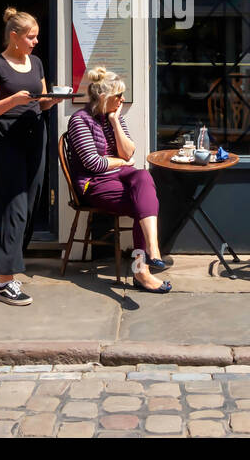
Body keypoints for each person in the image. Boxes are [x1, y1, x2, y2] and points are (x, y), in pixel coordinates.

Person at [0, 8, 64, 306]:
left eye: (36, 36)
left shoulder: (36, 62)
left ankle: (8, 262)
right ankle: (5, 280)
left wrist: (52, 100)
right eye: (31, 36)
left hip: (35, 136)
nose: (36, 41)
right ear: (14, 37)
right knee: (12, 204)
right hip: (6, 139)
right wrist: (13, 99)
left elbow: (40, 104)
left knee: (29, 202)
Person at [64, 67, 170, 292]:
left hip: (117, 177)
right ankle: (141, 271)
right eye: (118, 96)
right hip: (93, 182)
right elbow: (95, 164)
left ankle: (152, 249)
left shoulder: (114, 118)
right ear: (103, 98)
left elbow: (129, 152)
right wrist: (120, 163)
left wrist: (114, 122)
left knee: (143, 175)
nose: (122, 100)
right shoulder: (79, 121)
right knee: (142, 204)